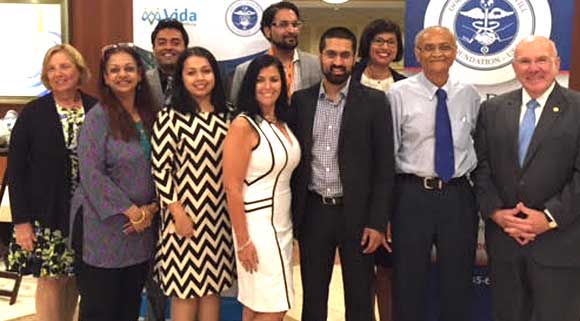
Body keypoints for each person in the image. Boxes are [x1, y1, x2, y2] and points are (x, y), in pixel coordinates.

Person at [290, 27, 394, 321]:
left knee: (361, 300)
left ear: (354, 58)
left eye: (345, 55)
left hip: (358, 217)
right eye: (331, 54)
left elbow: (384, 168)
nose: (338, 61)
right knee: (313, 298)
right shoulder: (301, 101)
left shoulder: (374, 102)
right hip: (313, 213)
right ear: (321, 56)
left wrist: (377, 222)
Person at [473, 35, 580, 321]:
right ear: (515, 67)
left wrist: (547, 218)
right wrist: (495, 212)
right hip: (505, 245)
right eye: (525, 61)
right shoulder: (492, 109)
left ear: (556, 64)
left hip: (559, 245)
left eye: (541, 60)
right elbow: (481, 167)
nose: (534, 68)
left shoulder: (578, 108)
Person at [387, 26, 480, 321]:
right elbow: (387, 154)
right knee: (408, 280)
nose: (437, 53)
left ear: (455, 52)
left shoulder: (469, 94)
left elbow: (480, 145)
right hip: (412, 195)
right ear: (417, 54)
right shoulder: (398, 94)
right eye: (429, 48)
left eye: (444, 47)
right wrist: (384, 211)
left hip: (458, 196)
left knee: (458, 280)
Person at [6, 44, 96, 321]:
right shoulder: (33, 113)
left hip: (87, 214)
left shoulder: (96, 108)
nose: (59, 73)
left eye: (65, 66)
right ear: (46, 75)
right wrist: (21, 221)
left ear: (78, 70)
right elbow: (16, 170)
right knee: (50, 279)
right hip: (46, 213)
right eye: (52, 68)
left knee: (72, 278)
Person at [72, 44, 159, 321]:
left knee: (129, 304)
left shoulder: (151, 115)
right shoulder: (98, 117)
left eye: (129, 68)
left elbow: (163, 168)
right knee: (101, 308)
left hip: (142, 228)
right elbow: (92, 174)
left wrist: (151, 210)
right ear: (106, 78)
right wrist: (132, 211)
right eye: (115, 70)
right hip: (105, 228)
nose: (123, 74)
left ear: (140, 74)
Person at [151, 47, 236, 321]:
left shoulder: (230, 115)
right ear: (181, 78)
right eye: (191, 72)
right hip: (184, 218)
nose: (200, 78)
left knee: (212, 290)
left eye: (206, 71)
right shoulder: (170, 116)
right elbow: (161, 170)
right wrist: (177, 213)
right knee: (185, 291)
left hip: (220, 219)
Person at [223, 54, 301, 321]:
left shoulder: (283, 122)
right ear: (249, 85)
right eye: (260, 80)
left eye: (274, 79)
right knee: (275, 305)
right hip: (256, 226)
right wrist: (243, 241)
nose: (268, 86)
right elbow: (232, 188)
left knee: (257, 304)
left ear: (284, 82)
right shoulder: (243, 124)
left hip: (281, 223)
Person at [353, 18, 406, 321]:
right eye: (378, 41)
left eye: (390, 42)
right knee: (359, 269)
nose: (384, 47)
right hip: (354, 189)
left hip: (394, 188)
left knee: (388, 267)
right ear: (367, 45)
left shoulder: (404, 85)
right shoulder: (349, 79)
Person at [229, 1, 320, 104]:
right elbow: (238, 109)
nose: (291, 30)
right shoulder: (245, 70)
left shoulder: (316, 65)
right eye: (283, 25)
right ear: (267, 31)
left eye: (295, 24)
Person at [147, 18, 188, 109]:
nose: (168, 47)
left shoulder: (195, 81)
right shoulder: (143, 81)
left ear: (185, 48)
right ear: (153, 49)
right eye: (162, 43)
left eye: (175, 43)